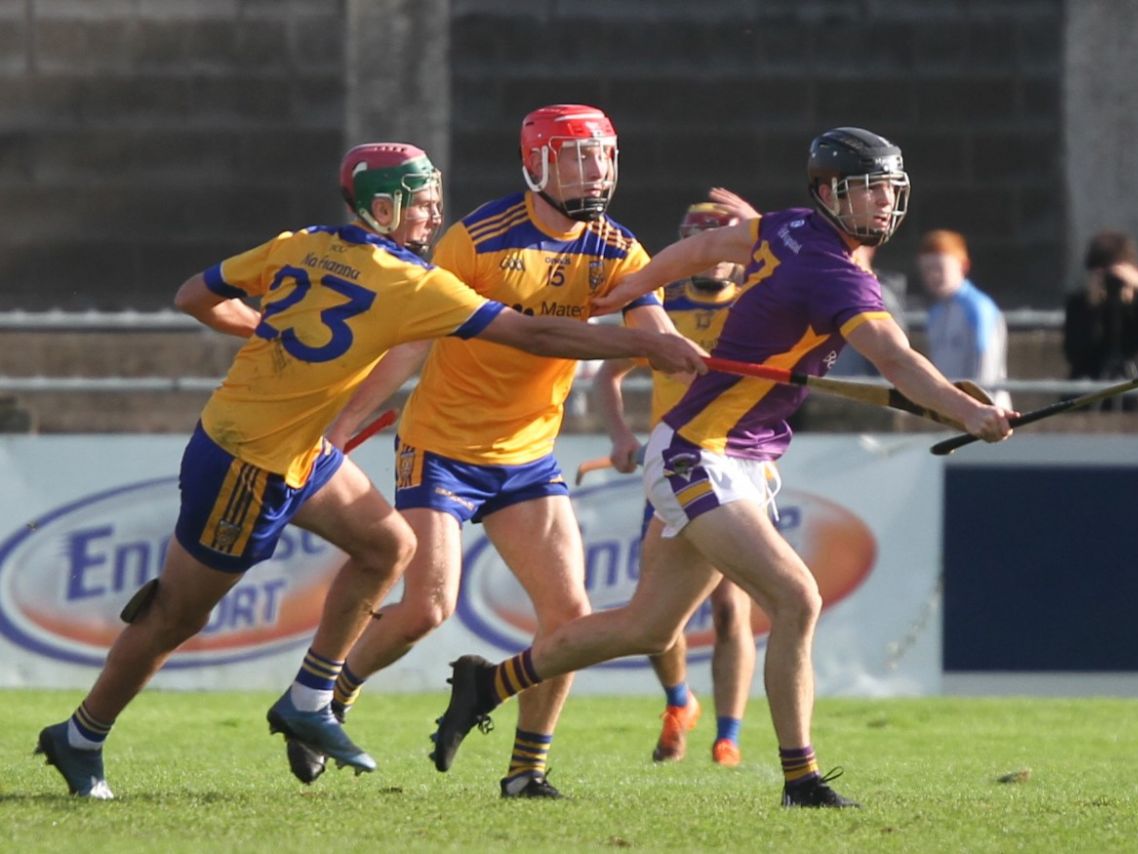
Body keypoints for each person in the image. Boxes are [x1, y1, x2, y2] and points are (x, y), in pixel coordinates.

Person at [33, 142, 706, 800]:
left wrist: (266, 328)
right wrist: (644, 342)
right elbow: (534, 335)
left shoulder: (298, 243)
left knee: (388, 546)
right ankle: (82, 736)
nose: (431, 218)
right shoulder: (408, 282)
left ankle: (311, 698)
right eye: (419, 207)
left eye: (435, 203)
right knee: (175, 616)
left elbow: (191, 296)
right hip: (249, 460)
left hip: (291, 445)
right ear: (381, 207)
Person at [427, 127, 1015, 809]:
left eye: (891, 189)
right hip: (698, 452)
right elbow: (897, 361)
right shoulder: (831, 270)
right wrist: (967, 412)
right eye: (869, 190)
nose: (885, 204)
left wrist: (638, 284)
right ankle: (803, 779)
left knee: (650, 627)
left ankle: (488, 684)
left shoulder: (790, 230)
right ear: (829, 193)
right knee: (797, 597)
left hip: (746, 454)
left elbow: (708, 246)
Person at [301, 105, 688, 800]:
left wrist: (689, 356)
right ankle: (328, 700)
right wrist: (341, 426)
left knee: (568, 617)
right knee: (428, 607)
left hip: (527, 457)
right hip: (441, 446)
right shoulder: (476, 240)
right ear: (537, 164)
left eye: (601, 155)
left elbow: (650, 326)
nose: (592, 170)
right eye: (575, 157)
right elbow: (412, 342)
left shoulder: (617, 248)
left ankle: (526, 771)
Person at [592, 202, 755, 767]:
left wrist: (759, 221)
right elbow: (607, 379)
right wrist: (619, 437)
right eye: (698, 239)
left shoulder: (758, 304)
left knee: (732, 608)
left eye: (722, 239)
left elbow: (804, 265)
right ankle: (679, 701)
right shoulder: (660, 308)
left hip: (733, 464)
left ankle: (728, 735)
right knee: (660, 617)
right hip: (671, 472)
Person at [1063, 231, 1138, 410]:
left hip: (1134, 387)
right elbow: (1074, 353)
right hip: (1089, 390)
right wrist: (1092, 309)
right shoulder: (1079, 303)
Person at [916, 229, 1011, 408]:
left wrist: (978, 407)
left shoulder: (978, 308)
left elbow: (985, 366)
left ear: (963, 266)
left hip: (984, 412)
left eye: (939, 268)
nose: (933, 276)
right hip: (951, 410)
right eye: (927, 270)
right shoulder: (935, 312)